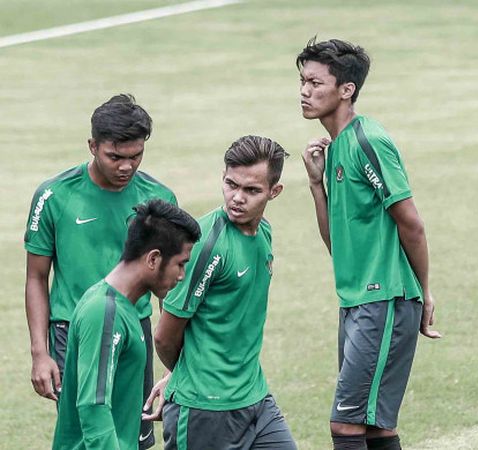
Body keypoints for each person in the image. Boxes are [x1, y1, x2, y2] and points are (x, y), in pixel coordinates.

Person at [297, 37, 440, 450]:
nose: (305, 91)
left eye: (315, 82)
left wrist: (423, 292)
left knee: (346, 425)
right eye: (302, 82)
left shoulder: (367, 141)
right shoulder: (338, 147)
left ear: (347, 90)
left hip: (384, 300)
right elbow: (338, 245)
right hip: (360, 301)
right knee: (375, 428)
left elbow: (411, 222)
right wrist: (315, 184)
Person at [25, 93, 175, 448]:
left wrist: (174, 362)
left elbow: (170, 286)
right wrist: (39, 352)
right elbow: (35, 277)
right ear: (92, 146)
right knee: (87, 435)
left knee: (135, 438)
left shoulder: (158, 199)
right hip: (73, 333)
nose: (126, 166)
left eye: (136, 156)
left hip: (134, 328)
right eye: (115, 156)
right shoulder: (54, 196)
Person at [153, 135, 296, 449]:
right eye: (231, 184)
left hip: (254, 397)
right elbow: (165, 334)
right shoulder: (205, 244)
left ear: (275, 191)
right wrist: (185, 378)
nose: (237, 198)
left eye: (252, 190)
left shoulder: (264, 233)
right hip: (206, 408)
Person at [52, 199, 200, 449]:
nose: (182, 275)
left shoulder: (122, 307)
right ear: (153, 259)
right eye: (181, 263)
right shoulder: (104, 311)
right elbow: (93, 406)